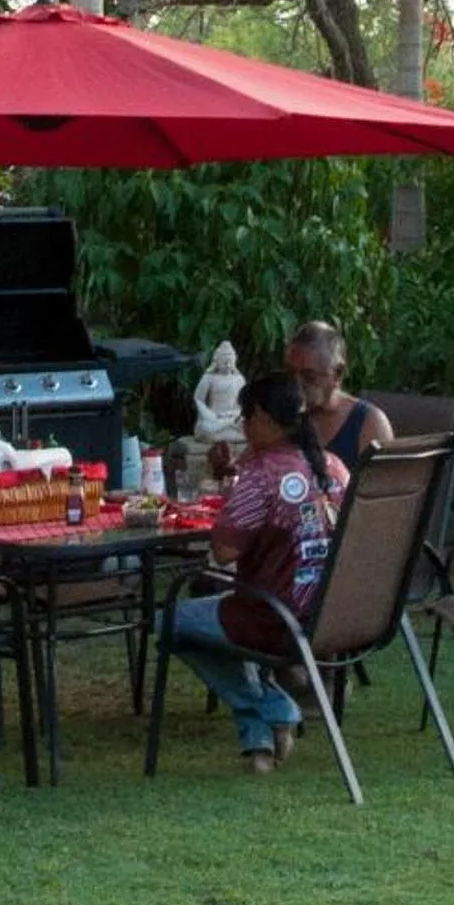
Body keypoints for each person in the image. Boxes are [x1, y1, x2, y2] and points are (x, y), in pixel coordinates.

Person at [164, 368, 348, 775]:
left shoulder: (262, 474)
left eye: (245, 417)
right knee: (219, 614)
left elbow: (224, 552)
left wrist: (234, 495)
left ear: (263, 417)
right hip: (333, 617)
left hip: (275, 619)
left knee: (169, 621)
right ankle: (258, 743)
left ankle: (273, 707)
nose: (243, 427)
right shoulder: (335, 467)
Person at [285, 321, 393, 469]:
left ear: (338, 373)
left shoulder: (369, 424)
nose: (296, 383)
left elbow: (384, 481)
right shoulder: (280, 415)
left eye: (309, 377)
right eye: (290, 374)